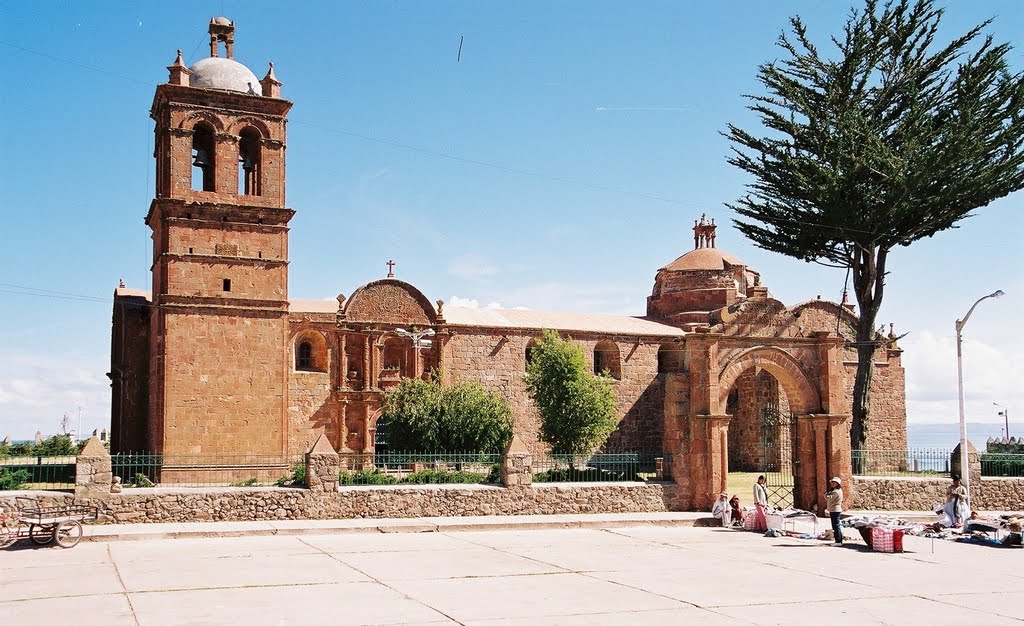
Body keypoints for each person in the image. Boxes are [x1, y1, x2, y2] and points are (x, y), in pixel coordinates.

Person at [825, 477, 844, 546]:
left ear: (837, 484)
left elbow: (828, 498)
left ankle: (838, 541)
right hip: (834, 509)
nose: (833, 484)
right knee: (836, 525)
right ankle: (839, 539)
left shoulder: (836, 492)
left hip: (835, 510)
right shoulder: (836, 490)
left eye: (834, 482)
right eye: (832, 482)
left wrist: (826, 494)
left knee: (836, 526)